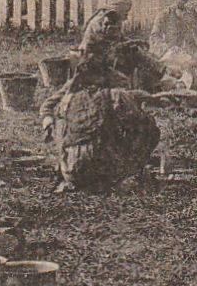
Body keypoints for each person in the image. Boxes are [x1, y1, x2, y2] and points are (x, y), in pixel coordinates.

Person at [41, 49, 161, 194]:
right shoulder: (115, 95)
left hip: (70, 170)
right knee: (147, 124)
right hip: (101, 171)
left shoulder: (68, 96)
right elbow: (140, 123)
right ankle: (125, 175)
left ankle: (72, 170)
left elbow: (48, 107)